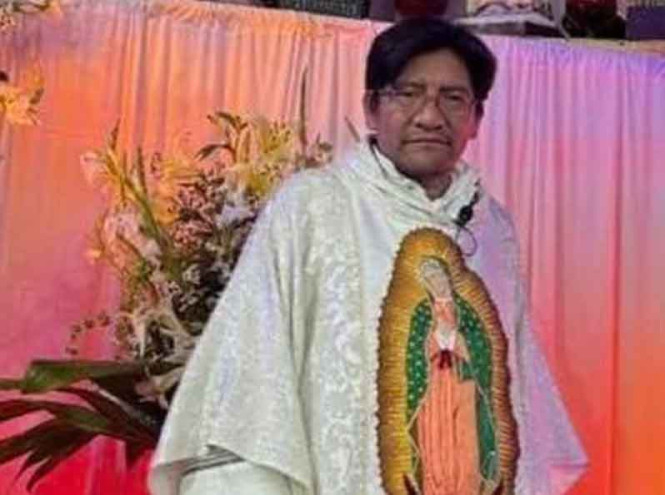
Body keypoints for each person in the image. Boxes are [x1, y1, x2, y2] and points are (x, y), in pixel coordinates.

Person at [149, 17, 586, 495]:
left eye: (452, 98)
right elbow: (252, 384)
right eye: (408, 93)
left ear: (477, 118)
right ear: (372, 108)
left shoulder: (492, 228)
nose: (430, 115)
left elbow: (513, 390)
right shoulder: (313, 207)